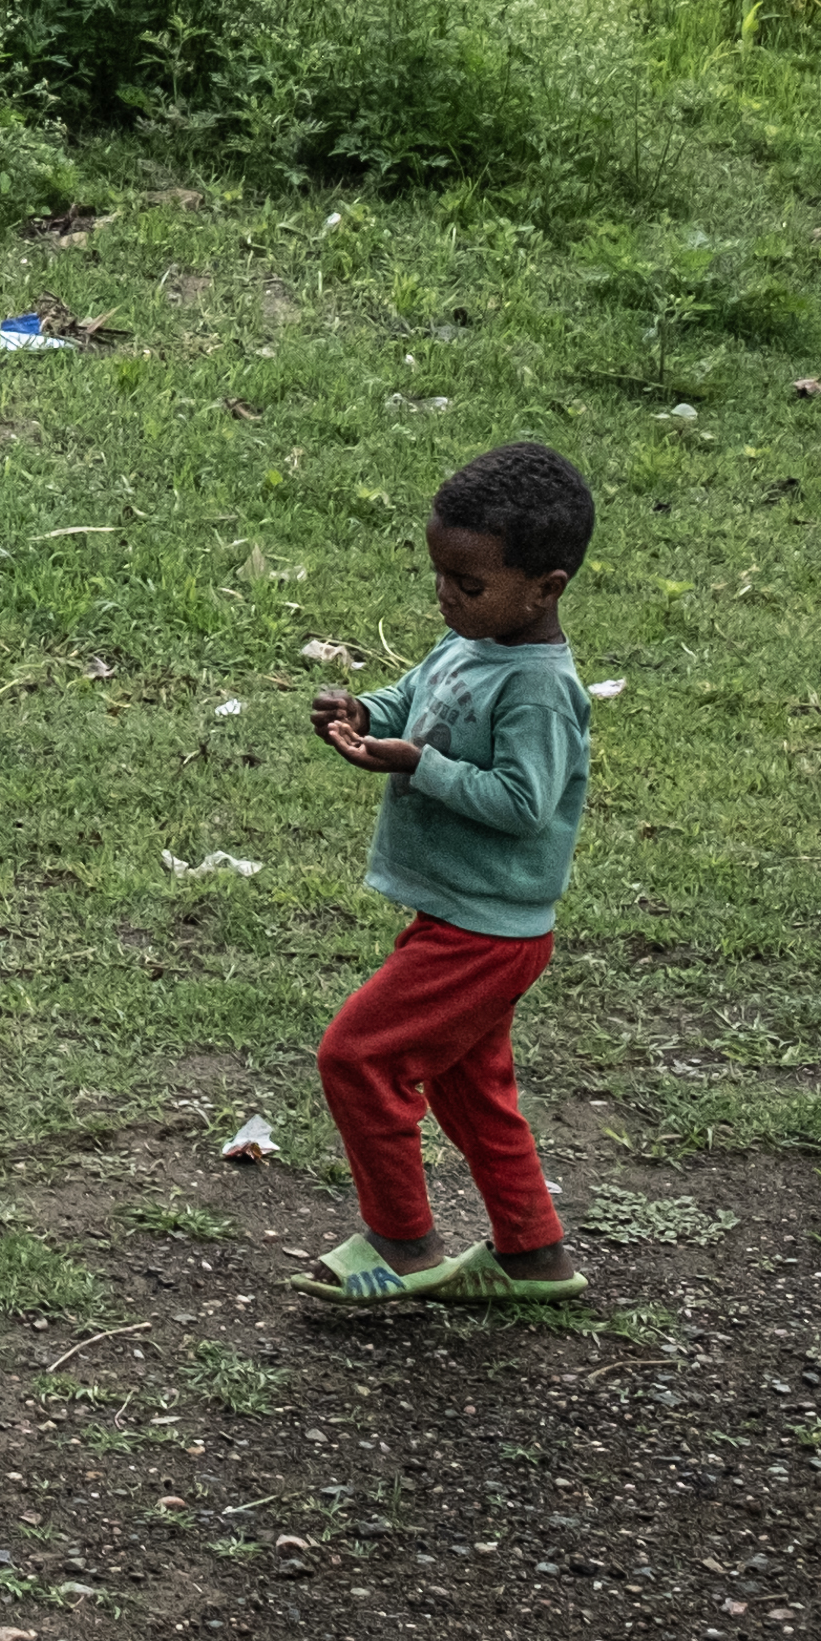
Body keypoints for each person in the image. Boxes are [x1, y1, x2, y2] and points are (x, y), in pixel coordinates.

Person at [296, 441, 602, 1310]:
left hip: (486, 930)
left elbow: (522, 804)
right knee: (473, 1092)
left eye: (468, 586)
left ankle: (401, 1239)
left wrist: (414, 763)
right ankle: (531, 1252)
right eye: (440, 576)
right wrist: (365, 715)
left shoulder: (541, 688)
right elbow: (415, 698)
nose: (447, 597)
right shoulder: (471, 641)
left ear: (546, 587)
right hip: (463, 919)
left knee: (357, 1056)